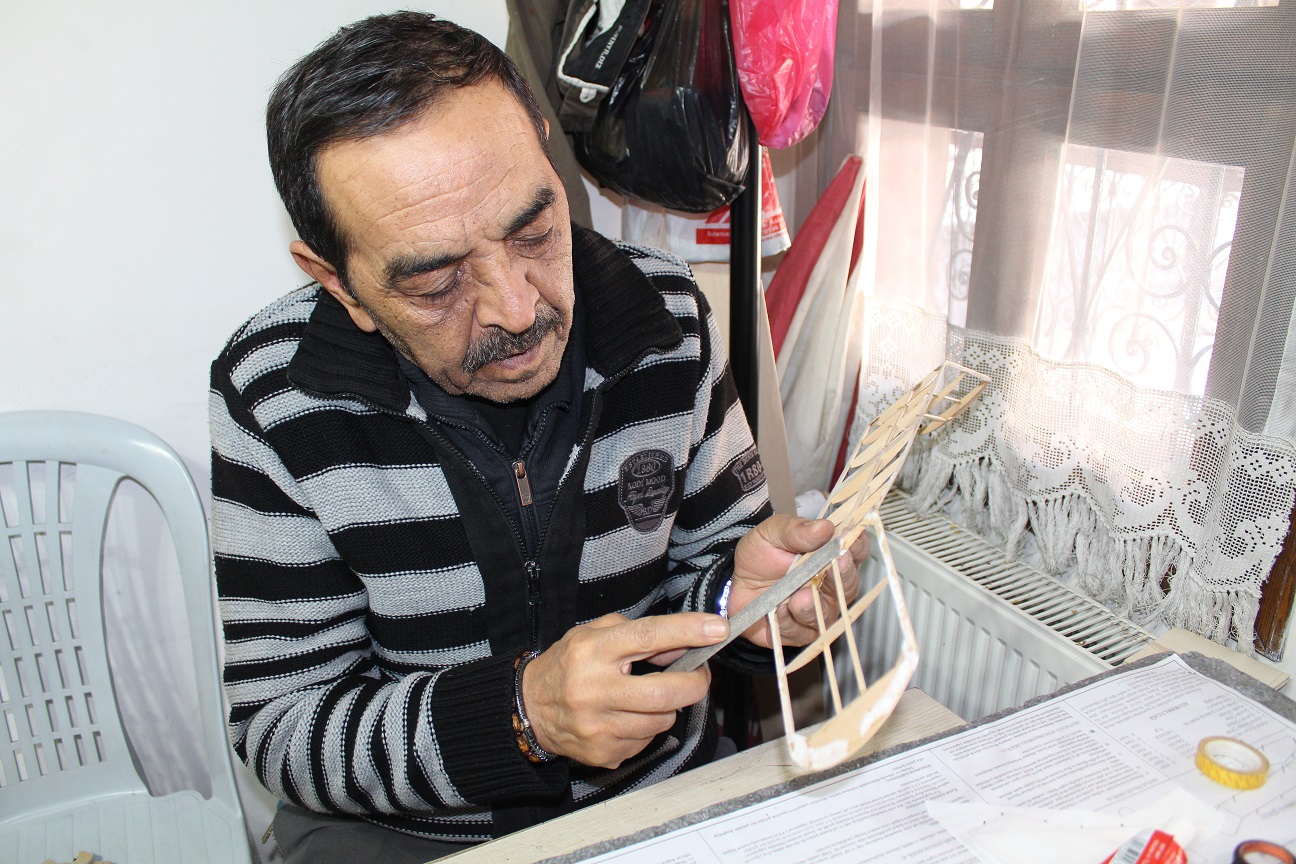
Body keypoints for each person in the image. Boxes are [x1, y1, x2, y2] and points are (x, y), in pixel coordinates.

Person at [209, 11, 862, 862]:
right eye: (435, 283)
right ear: (338, 283)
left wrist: (746, 603)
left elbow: (711, 584)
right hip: (409, 835)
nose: (518, 310)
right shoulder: (277, 394)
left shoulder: (666, 324)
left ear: (549, 161)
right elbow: (284, 726)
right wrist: (521, 717)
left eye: (534, 233)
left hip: (651, 799)